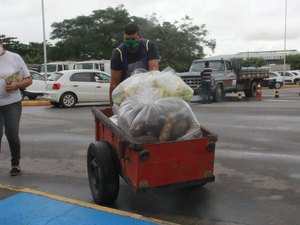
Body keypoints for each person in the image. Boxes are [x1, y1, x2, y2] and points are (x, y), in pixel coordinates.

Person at [0, 38, 32, 176]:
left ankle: (15, 163)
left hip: (11, 103)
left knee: (11, 134)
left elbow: (29, 79)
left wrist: (15, 85)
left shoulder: (14, 57)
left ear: (1, 44)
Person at [109, 22, 160, 106]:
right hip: (127, 93)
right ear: (124, 36)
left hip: (147, 90)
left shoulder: (149, 46)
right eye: (127, 39)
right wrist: (112, 106)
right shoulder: (118, 53)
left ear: (139, 36)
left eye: (133, 39)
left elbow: (154, 74)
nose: (130, 42)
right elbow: (114, 84)